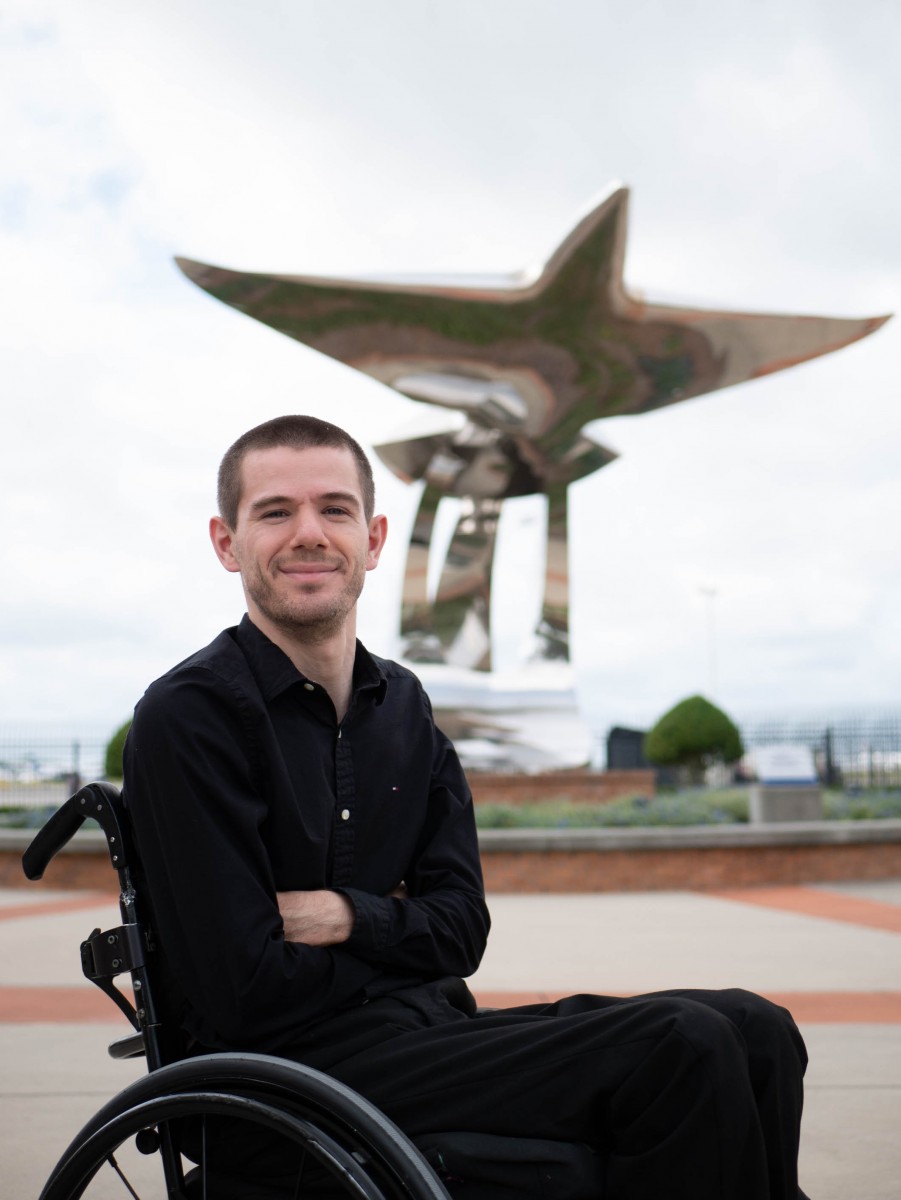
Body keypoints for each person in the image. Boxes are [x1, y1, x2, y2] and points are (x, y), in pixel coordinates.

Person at [124, 414, 810, 1200]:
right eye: (275, 511)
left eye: (334, 509)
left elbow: (463, 929)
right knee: (680, 1046)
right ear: (226, 542)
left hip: (428, 1038)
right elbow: (244, 990)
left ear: (375, 540)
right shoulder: (192, 716)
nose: (308, 532)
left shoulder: (404, 707)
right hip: (282, 1082)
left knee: (757, 1029)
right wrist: (400, 935)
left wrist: (342, 917)